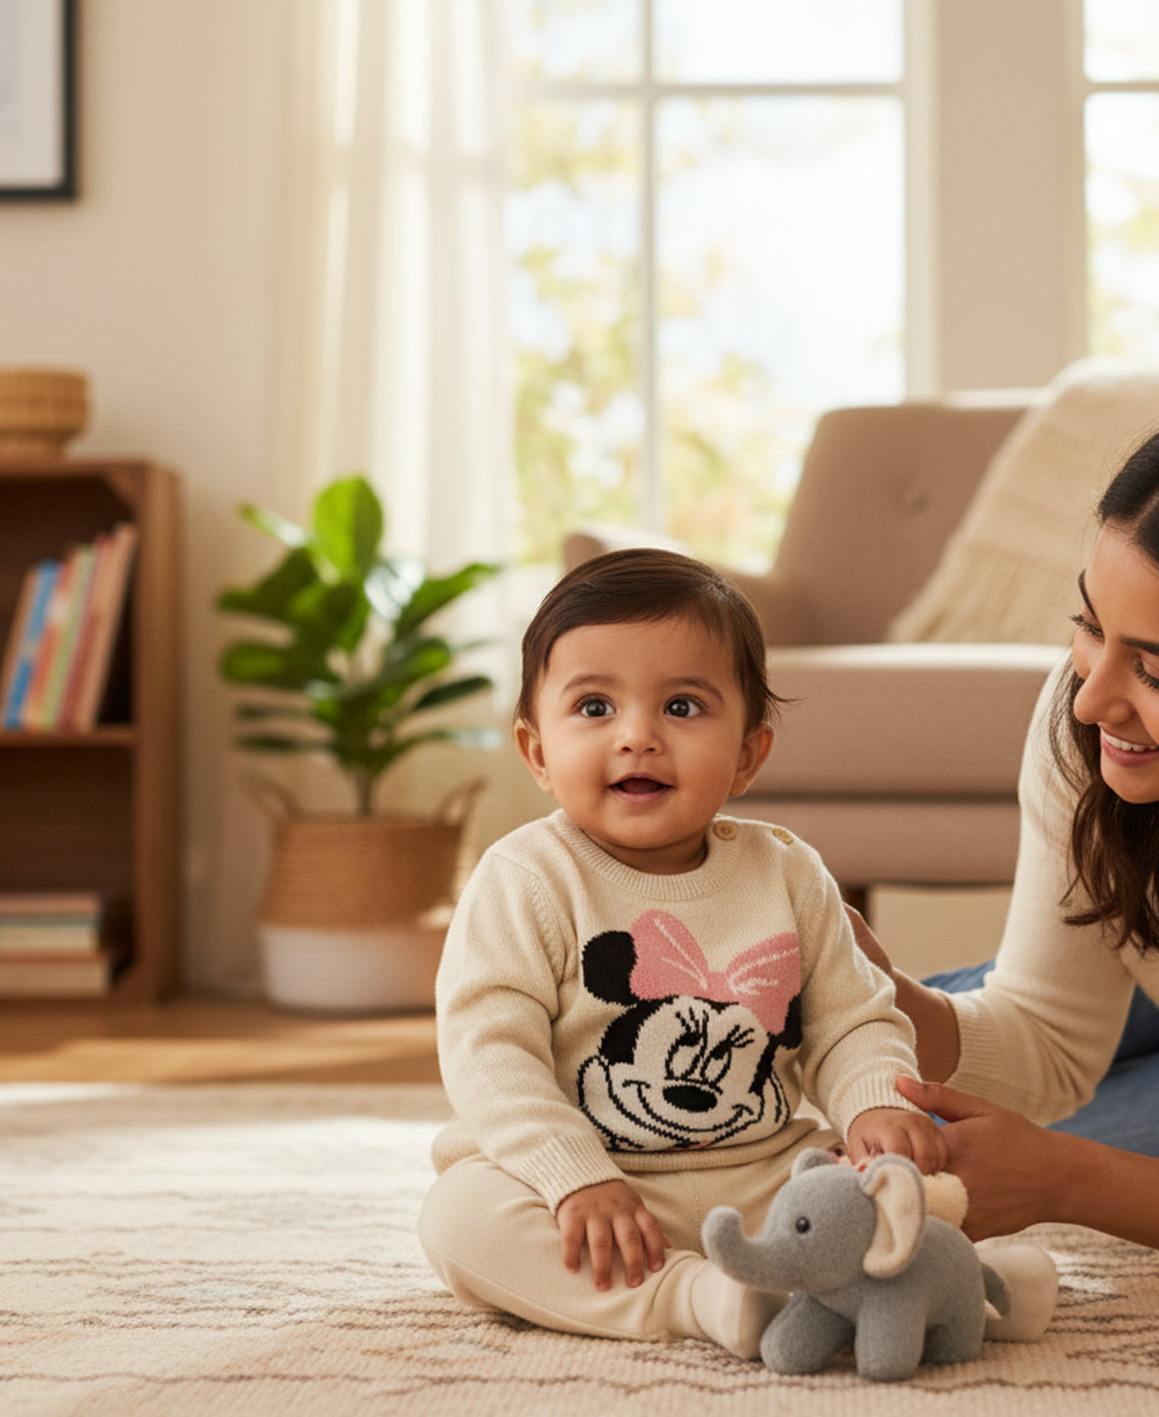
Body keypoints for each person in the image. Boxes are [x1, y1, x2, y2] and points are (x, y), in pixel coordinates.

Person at [418, 548, 1051, 1356]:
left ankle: (970, 1278)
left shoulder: (786, 872)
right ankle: (700, 1296)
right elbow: (489, 1056)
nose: (638, 737)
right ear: (537, 750)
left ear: (749, 754)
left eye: (682, 707)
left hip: (753, 1168)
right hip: (578, 1177)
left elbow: (854, 1017)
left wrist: (870, 1107)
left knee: (872, 1187)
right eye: (595, 707)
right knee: (461, 1220)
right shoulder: (525, 879)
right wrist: (573, 1175)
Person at [852, 430, 1159, 1248]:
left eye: (1154, 670)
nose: (1091, 701)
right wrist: (882, 997)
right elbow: (1050, 1037)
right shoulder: (1084, 722)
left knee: (940, 1165)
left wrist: (1064, 1178)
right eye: (1090, 624)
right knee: (854, 1067)